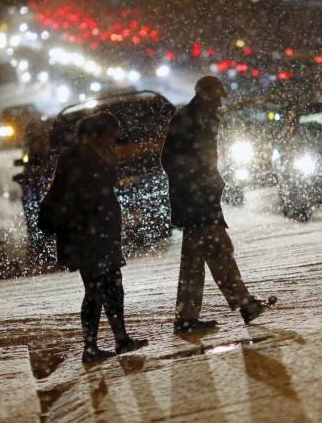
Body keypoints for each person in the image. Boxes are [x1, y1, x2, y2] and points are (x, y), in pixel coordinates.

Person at [161, 76, 274, 334]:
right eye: (217, 97)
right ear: (205, 95)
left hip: (198, 198)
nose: (220, 102)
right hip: (196, 200)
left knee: (195, 260)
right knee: (219, 250)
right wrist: (197, 179)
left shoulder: (197, 117)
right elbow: (170, 159)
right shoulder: (191, 119)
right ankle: (244, 304)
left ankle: (187, 318)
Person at [42, 113, 148, 363]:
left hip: (101, 233)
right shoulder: (76, 156)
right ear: (99, 133)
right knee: (95, 289)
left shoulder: (98, 153)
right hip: (86, 236)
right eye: (113, 132)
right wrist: (91, 223)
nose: (116, 137)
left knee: (113, 286)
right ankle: (90, 348)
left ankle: (121, 339)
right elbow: (75, 196)